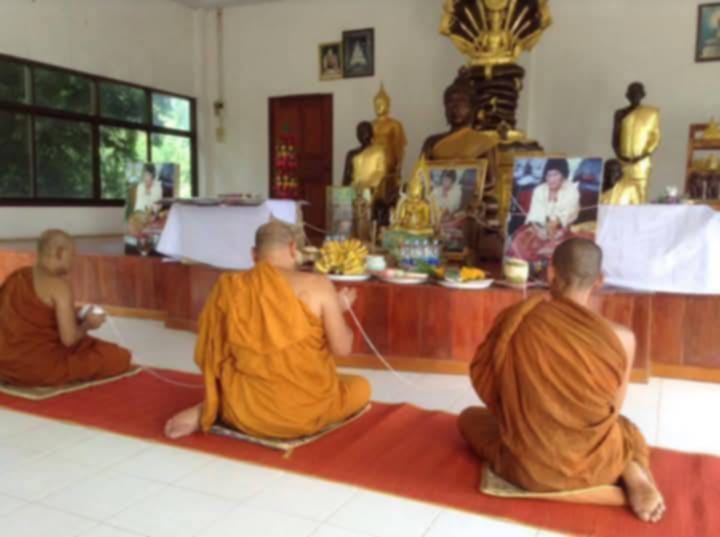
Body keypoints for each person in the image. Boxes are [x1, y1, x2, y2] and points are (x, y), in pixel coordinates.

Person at [458, 239, 665, 523]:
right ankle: (632, 473)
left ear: (551, 273)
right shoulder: (623, 338)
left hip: (528, 470)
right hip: (598, 465)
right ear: (599, 281)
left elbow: (488, 384)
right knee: (626, 430)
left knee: (469, 418)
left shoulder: (517, 321)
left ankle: (544, 449)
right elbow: (613, 411)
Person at [165, 221, 371, 440]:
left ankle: (211, 407)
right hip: (302, 415)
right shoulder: (318, 285)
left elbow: (217, 353)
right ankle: (217, 407)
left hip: (244, 411)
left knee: (246, 376)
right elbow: (342, 348)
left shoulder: (230, 286)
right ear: (293, 248)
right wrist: (338, 310)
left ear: (254, 254)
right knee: (361, 386)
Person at [0, 230, 132, 386]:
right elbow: (69, 340)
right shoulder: (60, 286)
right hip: (39, 368)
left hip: (4, 363)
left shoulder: (17, 276)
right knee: (119, 357)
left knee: (89, 345)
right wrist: (88, 325)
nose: (73, 261)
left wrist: (74, 313)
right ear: (60, 253)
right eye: (72, 255)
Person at [507, 159, 580, 266]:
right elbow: (535, 215)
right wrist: (538, 231)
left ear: (563, 175)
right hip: (539, 229)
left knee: (560, 250)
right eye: (548, 175)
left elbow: (563, 217)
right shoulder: (539, 190)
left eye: (555, 175)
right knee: (520, 242)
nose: (551, 179)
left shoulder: (571, 191)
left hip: (561, 231)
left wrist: (551, 234)